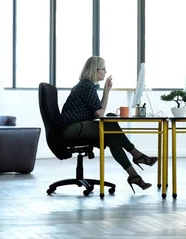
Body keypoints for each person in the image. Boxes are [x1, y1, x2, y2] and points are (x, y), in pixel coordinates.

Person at [60, 56, 157, 193]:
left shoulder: (87, 85)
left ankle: (133, 175)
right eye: (103, 69)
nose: (105, 72)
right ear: (95, 70)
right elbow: (101, 114)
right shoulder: (86, 86)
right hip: (72, 129)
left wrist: (106, 91)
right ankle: (136, 154)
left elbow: (100, 113)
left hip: (78, 127)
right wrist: (106, 93)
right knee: (110, 120)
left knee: (112, 137)